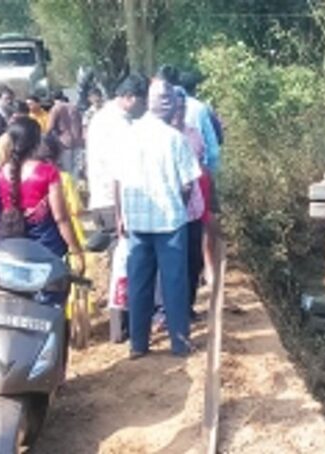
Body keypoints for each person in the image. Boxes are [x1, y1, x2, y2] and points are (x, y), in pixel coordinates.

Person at [114, 79, 202, 358]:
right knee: (174, 282)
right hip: (170, 221)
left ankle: (138, 345)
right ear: (168, 104)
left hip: (137, 221)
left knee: (139, 282)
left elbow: (116, 180)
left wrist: (120, 215)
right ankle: (179, 343)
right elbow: (188, 184)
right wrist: (181, 207)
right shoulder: (175, 138)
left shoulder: (127, 136)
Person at [0, 118, 85, 290]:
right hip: (47, 248)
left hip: (12, 247)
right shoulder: (47, 172)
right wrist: (76, 250)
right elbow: (61, 218)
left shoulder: (0, 173)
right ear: (36, 141)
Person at [86, 74, 148, 231]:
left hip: (103, 200)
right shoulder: (118, 123)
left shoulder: (103, 116)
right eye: (143, 102)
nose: (145, 108)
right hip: (114, 203)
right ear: (129, 97)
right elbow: (124, 168)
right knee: (123, 253)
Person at [171, 86, 212, 316]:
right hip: (167, 212)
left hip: (193, 208)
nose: (179, 112)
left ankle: (187, 305)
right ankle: (169, 310)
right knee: (171, 263)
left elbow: (202, 167)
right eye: (175, 108)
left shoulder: (193, 134)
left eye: (182, 108)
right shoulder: (160, 136)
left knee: (193, 260)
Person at [179, 71, 220, 176]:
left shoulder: (168, 106)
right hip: (200, 169)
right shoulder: (202, 108)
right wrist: (210, 172)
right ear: (195, 89)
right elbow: (213, 148)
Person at [47, 90, 83, 177]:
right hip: (77, 141)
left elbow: (50, 127)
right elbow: (80, 123)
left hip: (64, 143)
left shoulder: (56, 108)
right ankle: (75, 188)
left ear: (53, 99)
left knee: (67, 169)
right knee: (75, 169)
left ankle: (69, 189)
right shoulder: (74, 107)